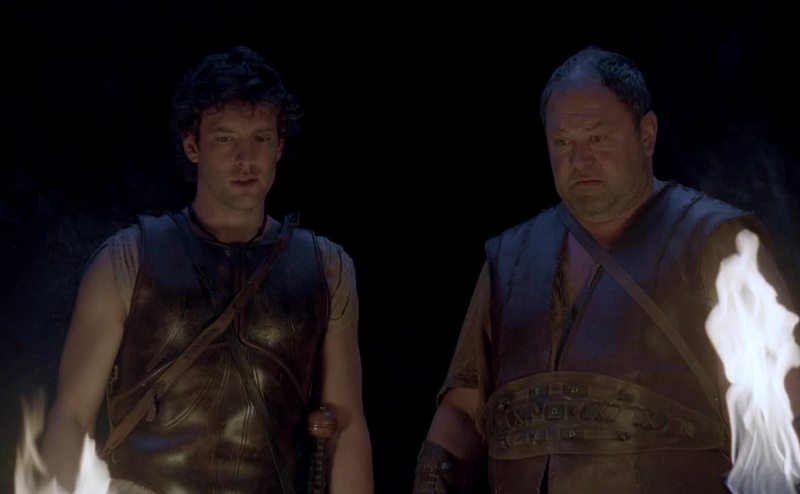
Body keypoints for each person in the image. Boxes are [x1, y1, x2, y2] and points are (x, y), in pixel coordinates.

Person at [412, 46, 800, 493]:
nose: (580, 160)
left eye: (597, 138)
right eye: (563, 142)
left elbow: (780, 413)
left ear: (646, 134)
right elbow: (463, 411)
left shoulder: (717, 245)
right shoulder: (510, 259)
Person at [39, 46, 373, 493]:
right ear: (192, 145)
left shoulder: (326, 270)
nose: (246, 159)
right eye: (225, 139)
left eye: (261, 138)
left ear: (279, 145)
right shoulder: (126, 261)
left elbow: (346, 428)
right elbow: (71, 417)